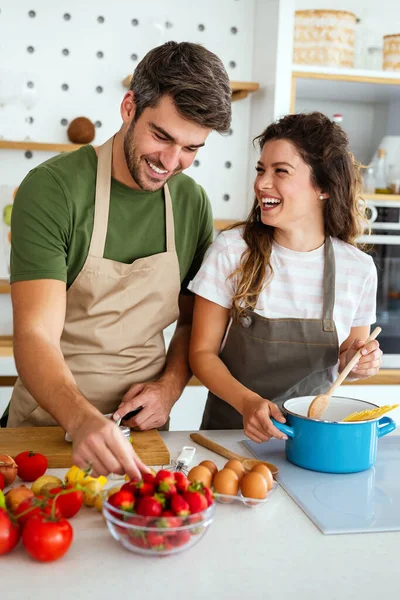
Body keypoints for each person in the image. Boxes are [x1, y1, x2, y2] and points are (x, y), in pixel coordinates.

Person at [4, 41, 232, 477]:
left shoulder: (191, 203)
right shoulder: (52, 189)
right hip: (48, 430)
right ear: (129, 106)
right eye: (162, 136)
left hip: (142, 435)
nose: (171, 161)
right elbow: (34, 334)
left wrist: (168, 389)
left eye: (191, 148)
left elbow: (191, 323)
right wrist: (81, 417)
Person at [188, 111, 382, 443]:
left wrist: (358, 362)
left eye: (281, 171)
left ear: (322, 186)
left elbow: (348, 356)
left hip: (311, 440)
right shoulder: (232, 251)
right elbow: (201, 354)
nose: (262, 183)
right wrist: (247, 402)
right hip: (228, 436)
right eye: (261, 170)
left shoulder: (357, 269)